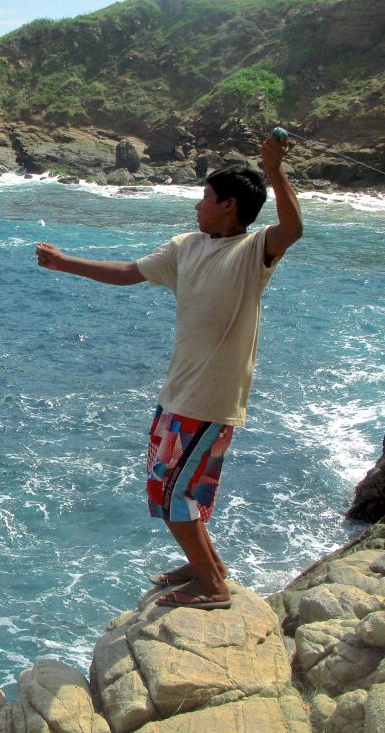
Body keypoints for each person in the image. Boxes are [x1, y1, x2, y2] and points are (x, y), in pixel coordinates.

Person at [35, 136, 302, 609]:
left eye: (205, 198)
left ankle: (213, 587)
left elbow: (293, 228)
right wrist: (63, 264)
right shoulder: (186, 247)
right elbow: (127, 272)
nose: (197, 206)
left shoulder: (255, 251)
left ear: (228, 207)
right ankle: (207, 567)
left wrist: (274, 169)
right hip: (178, 394)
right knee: (170, 491)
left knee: (178, 495)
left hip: (211, 400)